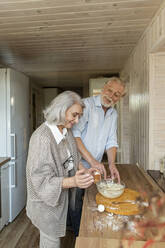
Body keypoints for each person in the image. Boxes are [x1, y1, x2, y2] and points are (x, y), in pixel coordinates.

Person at [26, 91, 95, 248]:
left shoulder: (65, 130)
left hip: (60, 201)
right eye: (74, 115)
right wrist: (74, 181)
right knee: (51, 242)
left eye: (79, 116)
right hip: (45, 206)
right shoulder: (42, 138)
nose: (77, 120)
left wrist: (83, 169)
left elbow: (73, 156)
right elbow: (41, 181)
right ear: (61, 109)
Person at [72, 77, 126, 180]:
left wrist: (111, 164)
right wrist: (93, 161)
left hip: (96, 166)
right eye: (109, 90)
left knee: (91, 193)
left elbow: (111, 141)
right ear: (103, 88)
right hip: (77, 164)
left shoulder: (113, 114)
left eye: (116, 94)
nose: (111, 95)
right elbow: (74, 135)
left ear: (119, 98)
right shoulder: (86, 105)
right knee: (77, 194)